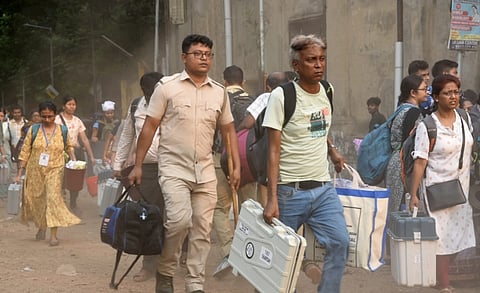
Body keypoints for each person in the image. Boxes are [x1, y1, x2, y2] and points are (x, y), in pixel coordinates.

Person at [128, 34, 240, 293]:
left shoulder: (219, 93)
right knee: (179, 221)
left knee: (202, 228)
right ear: (184, 57)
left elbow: (229, 130)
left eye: (208, 54)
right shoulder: (167, 88)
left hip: (206, 169)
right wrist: (138, 164)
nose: (204, 58)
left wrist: (234, 165)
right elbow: (149, 127)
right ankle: (165, 271)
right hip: (173, 169)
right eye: (198, 53)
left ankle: (194, 283)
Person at [262, 34, 349, 293]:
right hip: (290, 191)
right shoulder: (282, 96)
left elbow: (320, 127)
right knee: (279, 259)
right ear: (296, 65)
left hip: (323, 189)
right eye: (311, 60)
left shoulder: (327, 90)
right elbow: (273, 150)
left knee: (340, 242)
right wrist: (272, 197)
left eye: (322, 59)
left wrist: (332, 150)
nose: (318, 65)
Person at [408, 74, 476, 293]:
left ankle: (440, 274)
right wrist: (414, 194)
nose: (453, 96)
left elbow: (469, 147)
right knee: (442, 238)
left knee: (462, 234)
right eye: (447, 93)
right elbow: (420, 162)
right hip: (436, 188)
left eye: (456, 92)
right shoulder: (427, 126)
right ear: (436, 97)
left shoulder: (465, 118)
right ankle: (444, 282)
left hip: (461, 187)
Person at [113, 71, 164, 283]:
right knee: (149, 217)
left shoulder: (173, 103)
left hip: (173, 167)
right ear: (143, 92)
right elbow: (127, 135)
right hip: (147, 170)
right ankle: (149, 265)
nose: (154, 96)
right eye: (150, 93)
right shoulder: (136, 106)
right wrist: (118, 164)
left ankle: (176, 257)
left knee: (176, 216)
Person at [212, 65, 258, 278]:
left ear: (224, 81)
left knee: (220, 208)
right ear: (243, 82)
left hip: (221, 160)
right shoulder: (256, 101)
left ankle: (230, 252)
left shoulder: (218, 99)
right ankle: (250, 255)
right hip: (249, 162)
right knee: (250, 209)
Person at [16, 101, 80, 246]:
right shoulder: (33, 130)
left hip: (56, 169)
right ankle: (41, 226)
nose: (46, 120)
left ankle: (53, 235)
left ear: (55, 115)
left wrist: (75, 162)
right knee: (39, 199)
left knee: (53, 198)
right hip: (35, 170)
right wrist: (20, 173)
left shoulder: (62, 130)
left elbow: (69, 147)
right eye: (43, 116)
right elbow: (25, 151)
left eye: (50, 116)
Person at [385, 75, 428, 217]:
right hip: (405, 165)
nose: (427, 92)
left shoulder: (400, 110)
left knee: (394, 209)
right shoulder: (414, 112)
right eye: (424, 89)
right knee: (406, 211)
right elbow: (413, 144)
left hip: (395, 161)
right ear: (413, 93)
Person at [55, 95, 96, 212]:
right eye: (69, 104)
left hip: (76, 153)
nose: (72, 107)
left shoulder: (77, 121)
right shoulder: (56, 120)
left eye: (73, 104)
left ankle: (73, 203)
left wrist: (91, 156)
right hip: (61, 153)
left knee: (76, 180)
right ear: (63, 106)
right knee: (61, 179)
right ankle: (61, 204)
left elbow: (84, 139)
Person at [6, 104, 27, 181]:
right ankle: (14, 186)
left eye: (18, 112)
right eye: (15, 112)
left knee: (23, 168)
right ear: (12, 113)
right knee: (14, 169)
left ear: (21, 113)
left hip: (24, 149)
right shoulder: (8, 124)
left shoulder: (26, 123)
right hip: (13, 150)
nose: (17, 114)